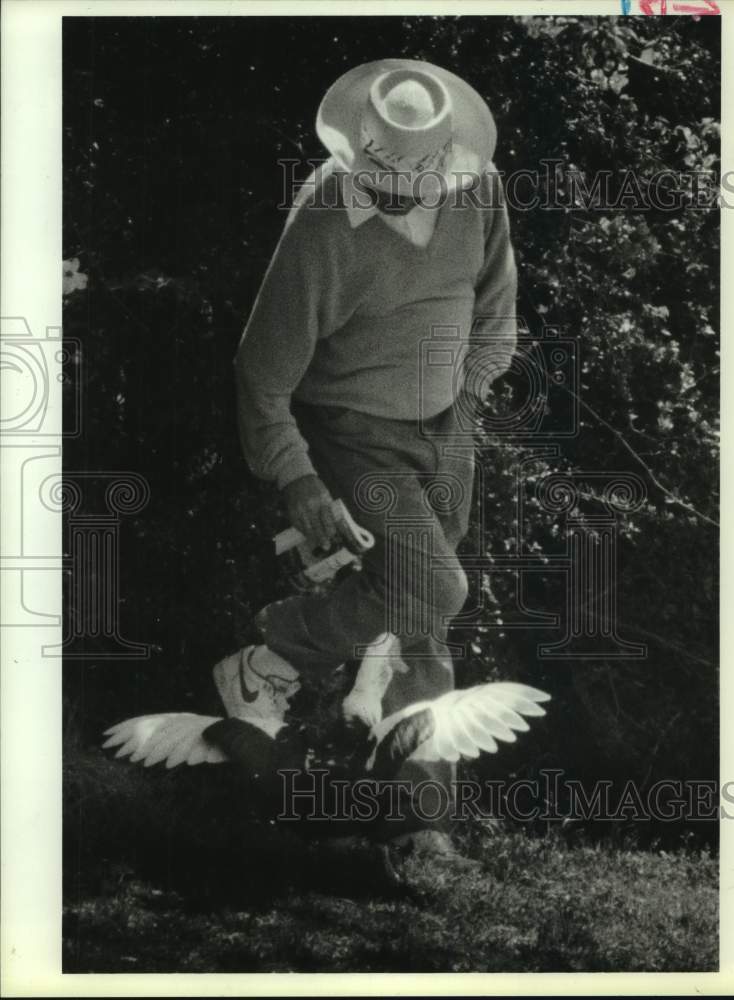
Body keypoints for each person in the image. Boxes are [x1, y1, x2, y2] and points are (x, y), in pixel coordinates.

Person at [226, 58, 518, 859]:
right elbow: (262, 375)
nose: (406, 193)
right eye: (387, 180)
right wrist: (300, 480)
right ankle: (277, 646)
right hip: (352, 428)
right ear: (360, 151)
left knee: (416, 629)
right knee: (436, 588)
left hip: (447, 421)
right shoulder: (322, 227)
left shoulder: (477, 189)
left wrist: (465, 415)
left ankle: (417, 822)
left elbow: (494, 315)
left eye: (418, 180)